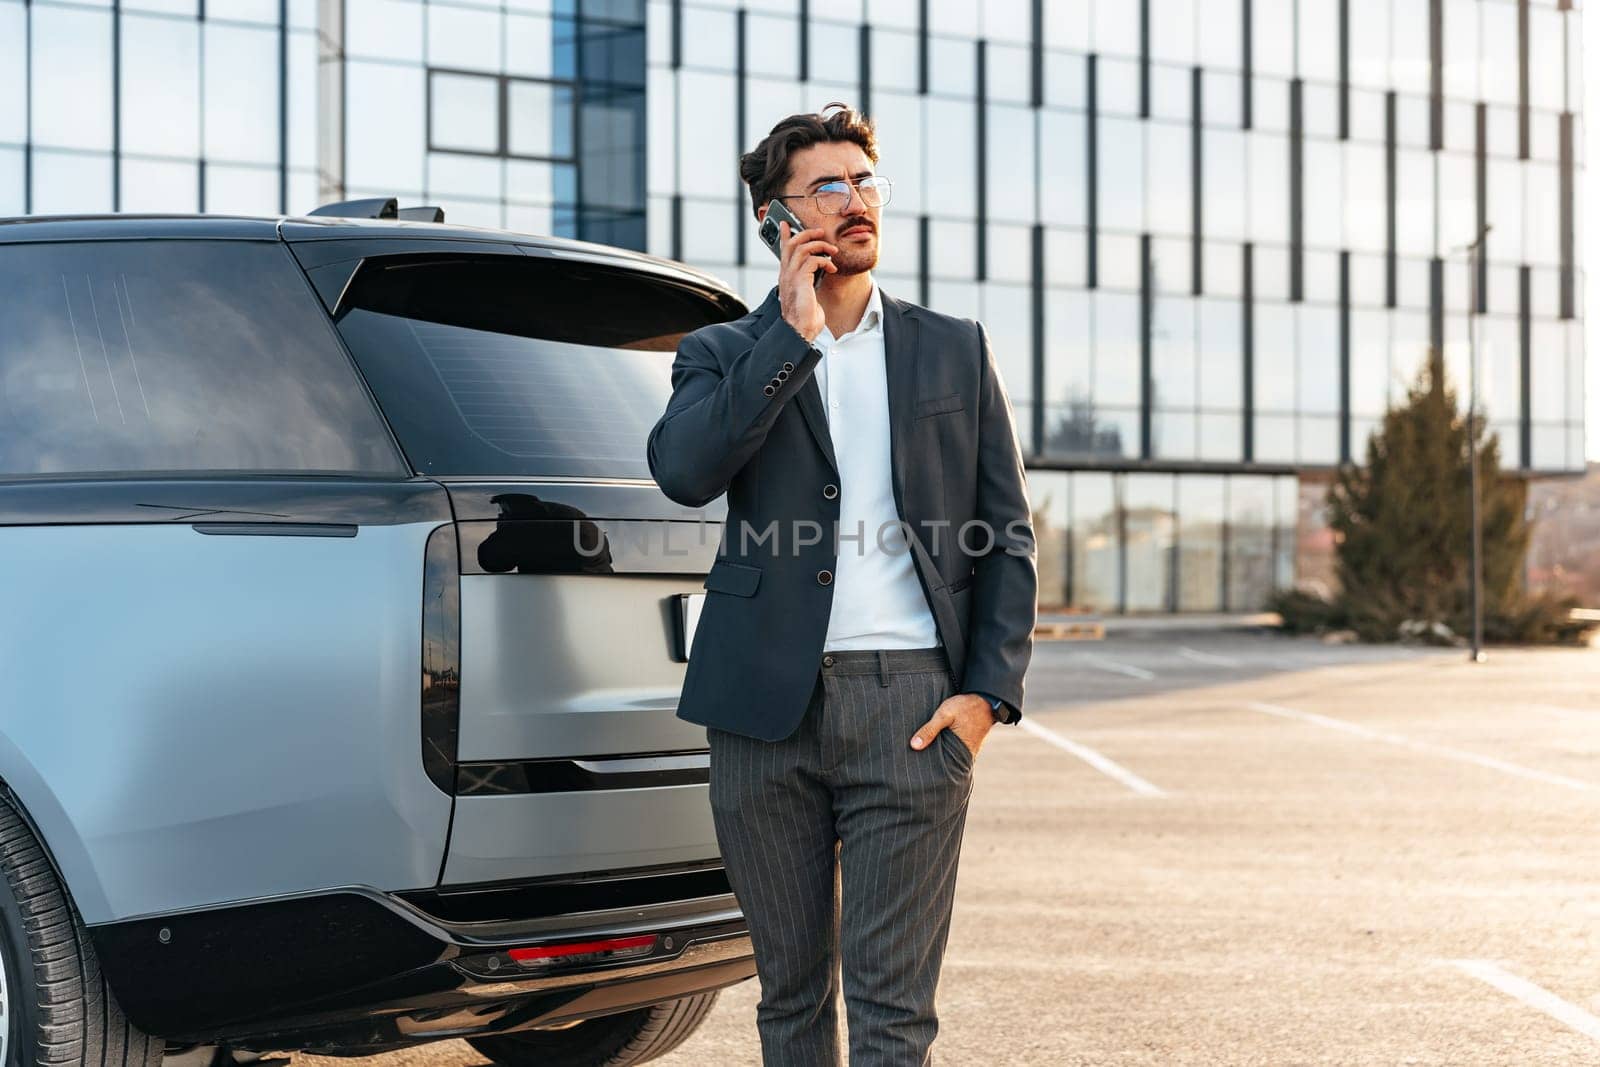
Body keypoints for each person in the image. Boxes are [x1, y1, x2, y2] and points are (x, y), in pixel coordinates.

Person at [646, 102, 1036, 1066]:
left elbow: (1008, 537)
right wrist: (792, 338)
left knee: (894, 1010)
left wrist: (985, 697)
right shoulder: (724, 353)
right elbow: (685, 470)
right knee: (789, 1000)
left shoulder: (953, 346)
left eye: (864, 181)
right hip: (759, 712)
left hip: (909, 704)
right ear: (777, 220)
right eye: (826, 187)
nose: (853, 201)